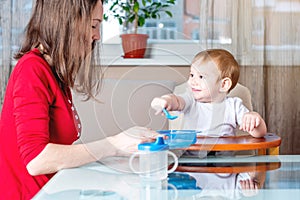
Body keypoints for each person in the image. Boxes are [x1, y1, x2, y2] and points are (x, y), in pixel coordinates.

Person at [0, 0, 157, 199]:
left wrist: (122, 148)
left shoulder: (54, 72)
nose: (97, 36)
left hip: (52, 190)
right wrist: (114, 145)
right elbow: (37, 160)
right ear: (65, 21)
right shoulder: (32, 70)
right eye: (93, 25)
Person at [151, 49, 267, 140]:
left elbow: (259, 134)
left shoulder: (234, 106)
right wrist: (166, 100)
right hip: (191, 164)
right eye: (192, 75)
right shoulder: (190, 100)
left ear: (224, 85)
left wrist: (254, 119)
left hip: (223, 165)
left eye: (201, 77)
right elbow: (176, 101)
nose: (192, 81)